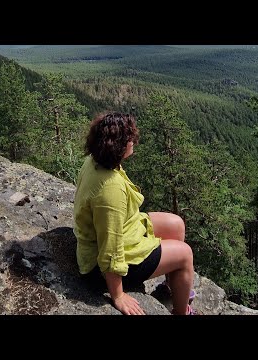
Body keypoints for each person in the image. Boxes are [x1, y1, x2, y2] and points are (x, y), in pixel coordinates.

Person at [73, 111, 196, 315]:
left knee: (176, 224)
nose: (134, 141)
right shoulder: (109, 191)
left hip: (125, 229)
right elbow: (110, 250)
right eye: (129, 139)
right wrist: (118, 296)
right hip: (101, 268)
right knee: (185, 254)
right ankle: (182, 311)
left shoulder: (98, 159)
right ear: (118, 147)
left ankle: (172, 285)